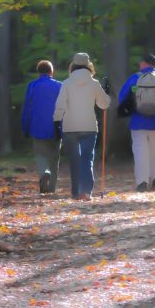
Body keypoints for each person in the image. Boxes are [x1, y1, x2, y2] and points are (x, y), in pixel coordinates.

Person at [53, 53, 111, 201]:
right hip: (89, 127)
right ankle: (86, 191)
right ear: (88, 65)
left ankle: (76, 192)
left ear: (73, 65)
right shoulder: (94, 83)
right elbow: (104, 104)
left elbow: (60, 104)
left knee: (74, 160)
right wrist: (107, 94)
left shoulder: (66, 83)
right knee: (87, 159)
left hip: (70, 127)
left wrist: (56, 120)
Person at [118, 54, 155, 192]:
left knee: (140, 151)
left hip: (138, 121)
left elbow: (122, 98)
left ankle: (142, 181)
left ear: (143, 64)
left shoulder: (134, 78)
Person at [21, 60, 63, 194]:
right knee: (54, 157)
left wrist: (25, 127)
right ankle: (52, 188)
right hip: (56, 128)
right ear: (51, 72)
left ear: (38, 73)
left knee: (40, 154)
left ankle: (44, 172)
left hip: (37, 127)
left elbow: (27, 109)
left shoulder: (32, 86)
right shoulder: (59, 86)